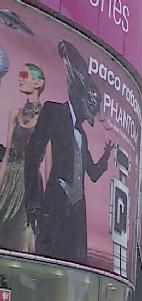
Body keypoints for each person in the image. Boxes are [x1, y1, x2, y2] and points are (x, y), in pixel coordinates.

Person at [25, 41, 113, 265]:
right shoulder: (54, 111)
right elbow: (33, 154)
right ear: (81, 98)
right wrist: (33, 200)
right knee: (47, 260)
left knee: (74, 264)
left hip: (77, 213)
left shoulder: (82, 135)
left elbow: (91, 172)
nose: (89, 116)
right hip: (54, 204)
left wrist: (104, 159)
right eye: (90, 108)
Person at [0, 62, 45, 251]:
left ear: (38, 83)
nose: (20, 78)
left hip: (30, 181)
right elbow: (8, 155)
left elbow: (48, 159)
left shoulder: (46, 117)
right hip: (10, 177)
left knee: (22, 234)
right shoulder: (14, 114)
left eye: (24, 75)